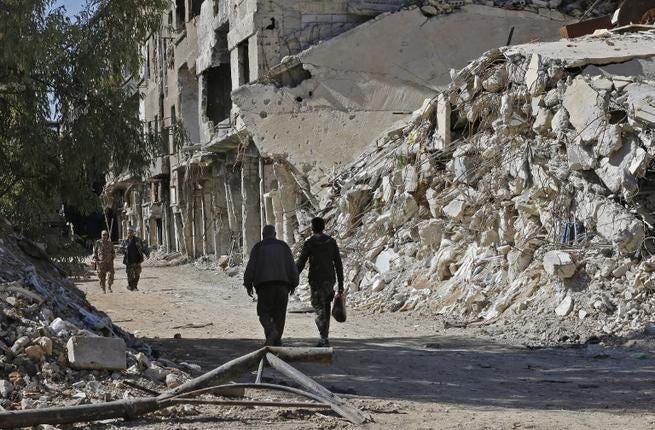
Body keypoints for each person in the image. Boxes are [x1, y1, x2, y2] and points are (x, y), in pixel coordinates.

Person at [243, 225, 299, 346]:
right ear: (274, 235)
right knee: (280, 314)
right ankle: (276, 340)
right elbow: (291, 266)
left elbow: (251, 267)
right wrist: (294, 283)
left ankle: (271, 332)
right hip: (283, 286)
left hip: (264, 286)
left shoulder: (258, 247)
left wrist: (248, 284)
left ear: (263, 235)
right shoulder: (284, 246)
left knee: (264, 313)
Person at [297, 217, 344, 347]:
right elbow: (338, 264)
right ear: (323, 227)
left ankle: (323, 337)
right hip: (329, 280)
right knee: (326, 307)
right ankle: (325, 336)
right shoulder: (331, 242)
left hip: (316, 281)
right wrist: (341, 284)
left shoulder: (310, 243)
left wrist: (292, 278)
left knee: (319, 308)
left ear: (312, 228)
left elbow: (300, 263)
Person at [120, 226, 148, 291]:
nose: (130, 233)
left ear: (133, 233)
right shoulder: (125, 241)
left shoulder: (138, 240)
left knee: (137, 274)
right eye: (128, 232)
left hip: (137, 260)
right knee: (130, 275)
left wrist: (147, 254)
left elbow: (143, 247)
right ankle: (130, 286)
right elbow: (121, 250)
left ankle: (135, 286)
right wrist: (123, 249)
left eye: (131, 232)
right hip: (129, 261)